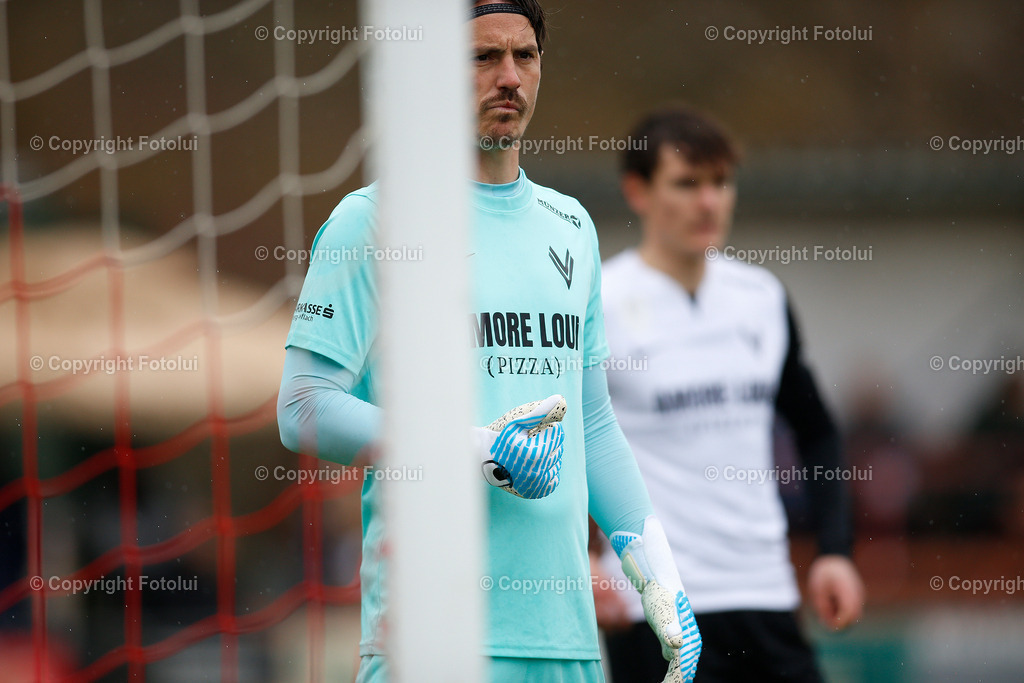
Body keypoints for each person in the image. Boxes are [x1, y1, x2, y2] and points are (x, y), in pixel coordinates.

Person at [276, 4, 701, 682]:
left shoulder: (573, 227)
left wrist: (658, 572)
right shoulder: (372, 220)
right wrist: (474, 448)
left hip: (567, 644)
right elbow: (301, 407)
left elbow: (591, 421)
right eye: (482, 57)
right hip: (429, 639)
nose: (509, 76)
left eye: (524, 56)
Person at [595, 106, 865, 682]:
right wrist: (583, 564)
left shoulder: (761, 297)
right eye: (687, 184)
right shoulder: (599, 303)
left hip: (766, 594)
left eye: (720, 182)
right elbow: (562, 441)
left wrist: (835, 550)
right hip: (659, 610)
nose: (709, 202)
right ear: (637, 191)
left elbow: (816, 428)